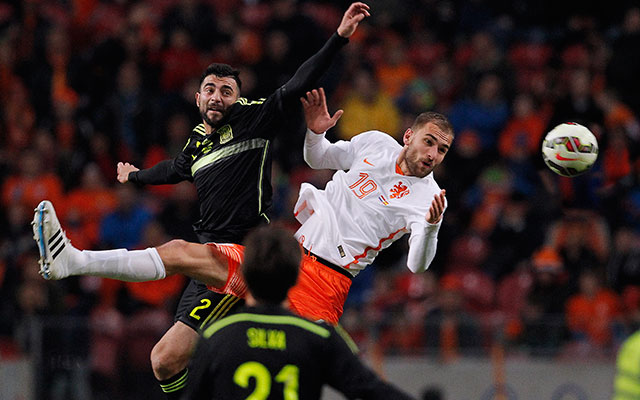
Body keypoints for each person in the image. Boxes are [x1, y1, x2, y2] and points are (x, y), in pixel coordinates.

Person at [36, 4, 371, 399]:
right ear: (198, 98)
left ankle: (73, 261)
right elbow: (175, 169)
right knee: (164, 359)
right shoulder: (197, 140)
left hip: (247, 256)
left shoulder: (255, 118)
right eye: (210, 89)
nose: (217, 97)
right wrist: (135, 176)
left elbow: (299, 82)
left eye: (227, 91)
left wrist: (339, 37)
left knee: (177, 250)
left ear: (238, 98)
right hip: (210, 259)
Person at [33, 86, 451, 387]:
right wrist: (316, 132)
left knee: (274, 375)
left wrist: (430, 227)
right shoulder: (374, 143)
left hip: (324, 284)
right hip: (285, 256)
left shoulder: (429, 198)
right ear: (409, 136)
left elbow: (417, 264)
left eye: (442, 150)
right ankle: (72, 260)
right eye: (429, 142)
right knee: (176, 280)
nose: (433, 154)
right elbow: (318, 157)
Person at [182, 225, 414, 400]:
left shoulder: (216, 335)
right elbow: (370, 390)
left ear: (246, 275)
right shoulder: (317, 336)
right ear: (295, 277)